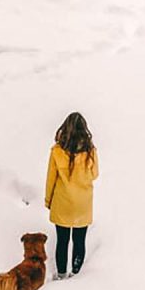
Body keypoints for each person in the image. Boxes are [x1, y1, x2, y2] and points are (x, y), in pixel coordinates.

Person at [44, 112, 99, 278]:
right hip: (83, 203)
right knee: (79, 240)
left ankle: (61, 274)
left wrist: (48, 201)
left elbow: (51, 178)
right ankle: (76, 274)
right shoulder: (90, 151)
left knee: (62, 241)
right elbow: (95, 174)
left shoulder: (57, 151)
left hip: (63, 202)